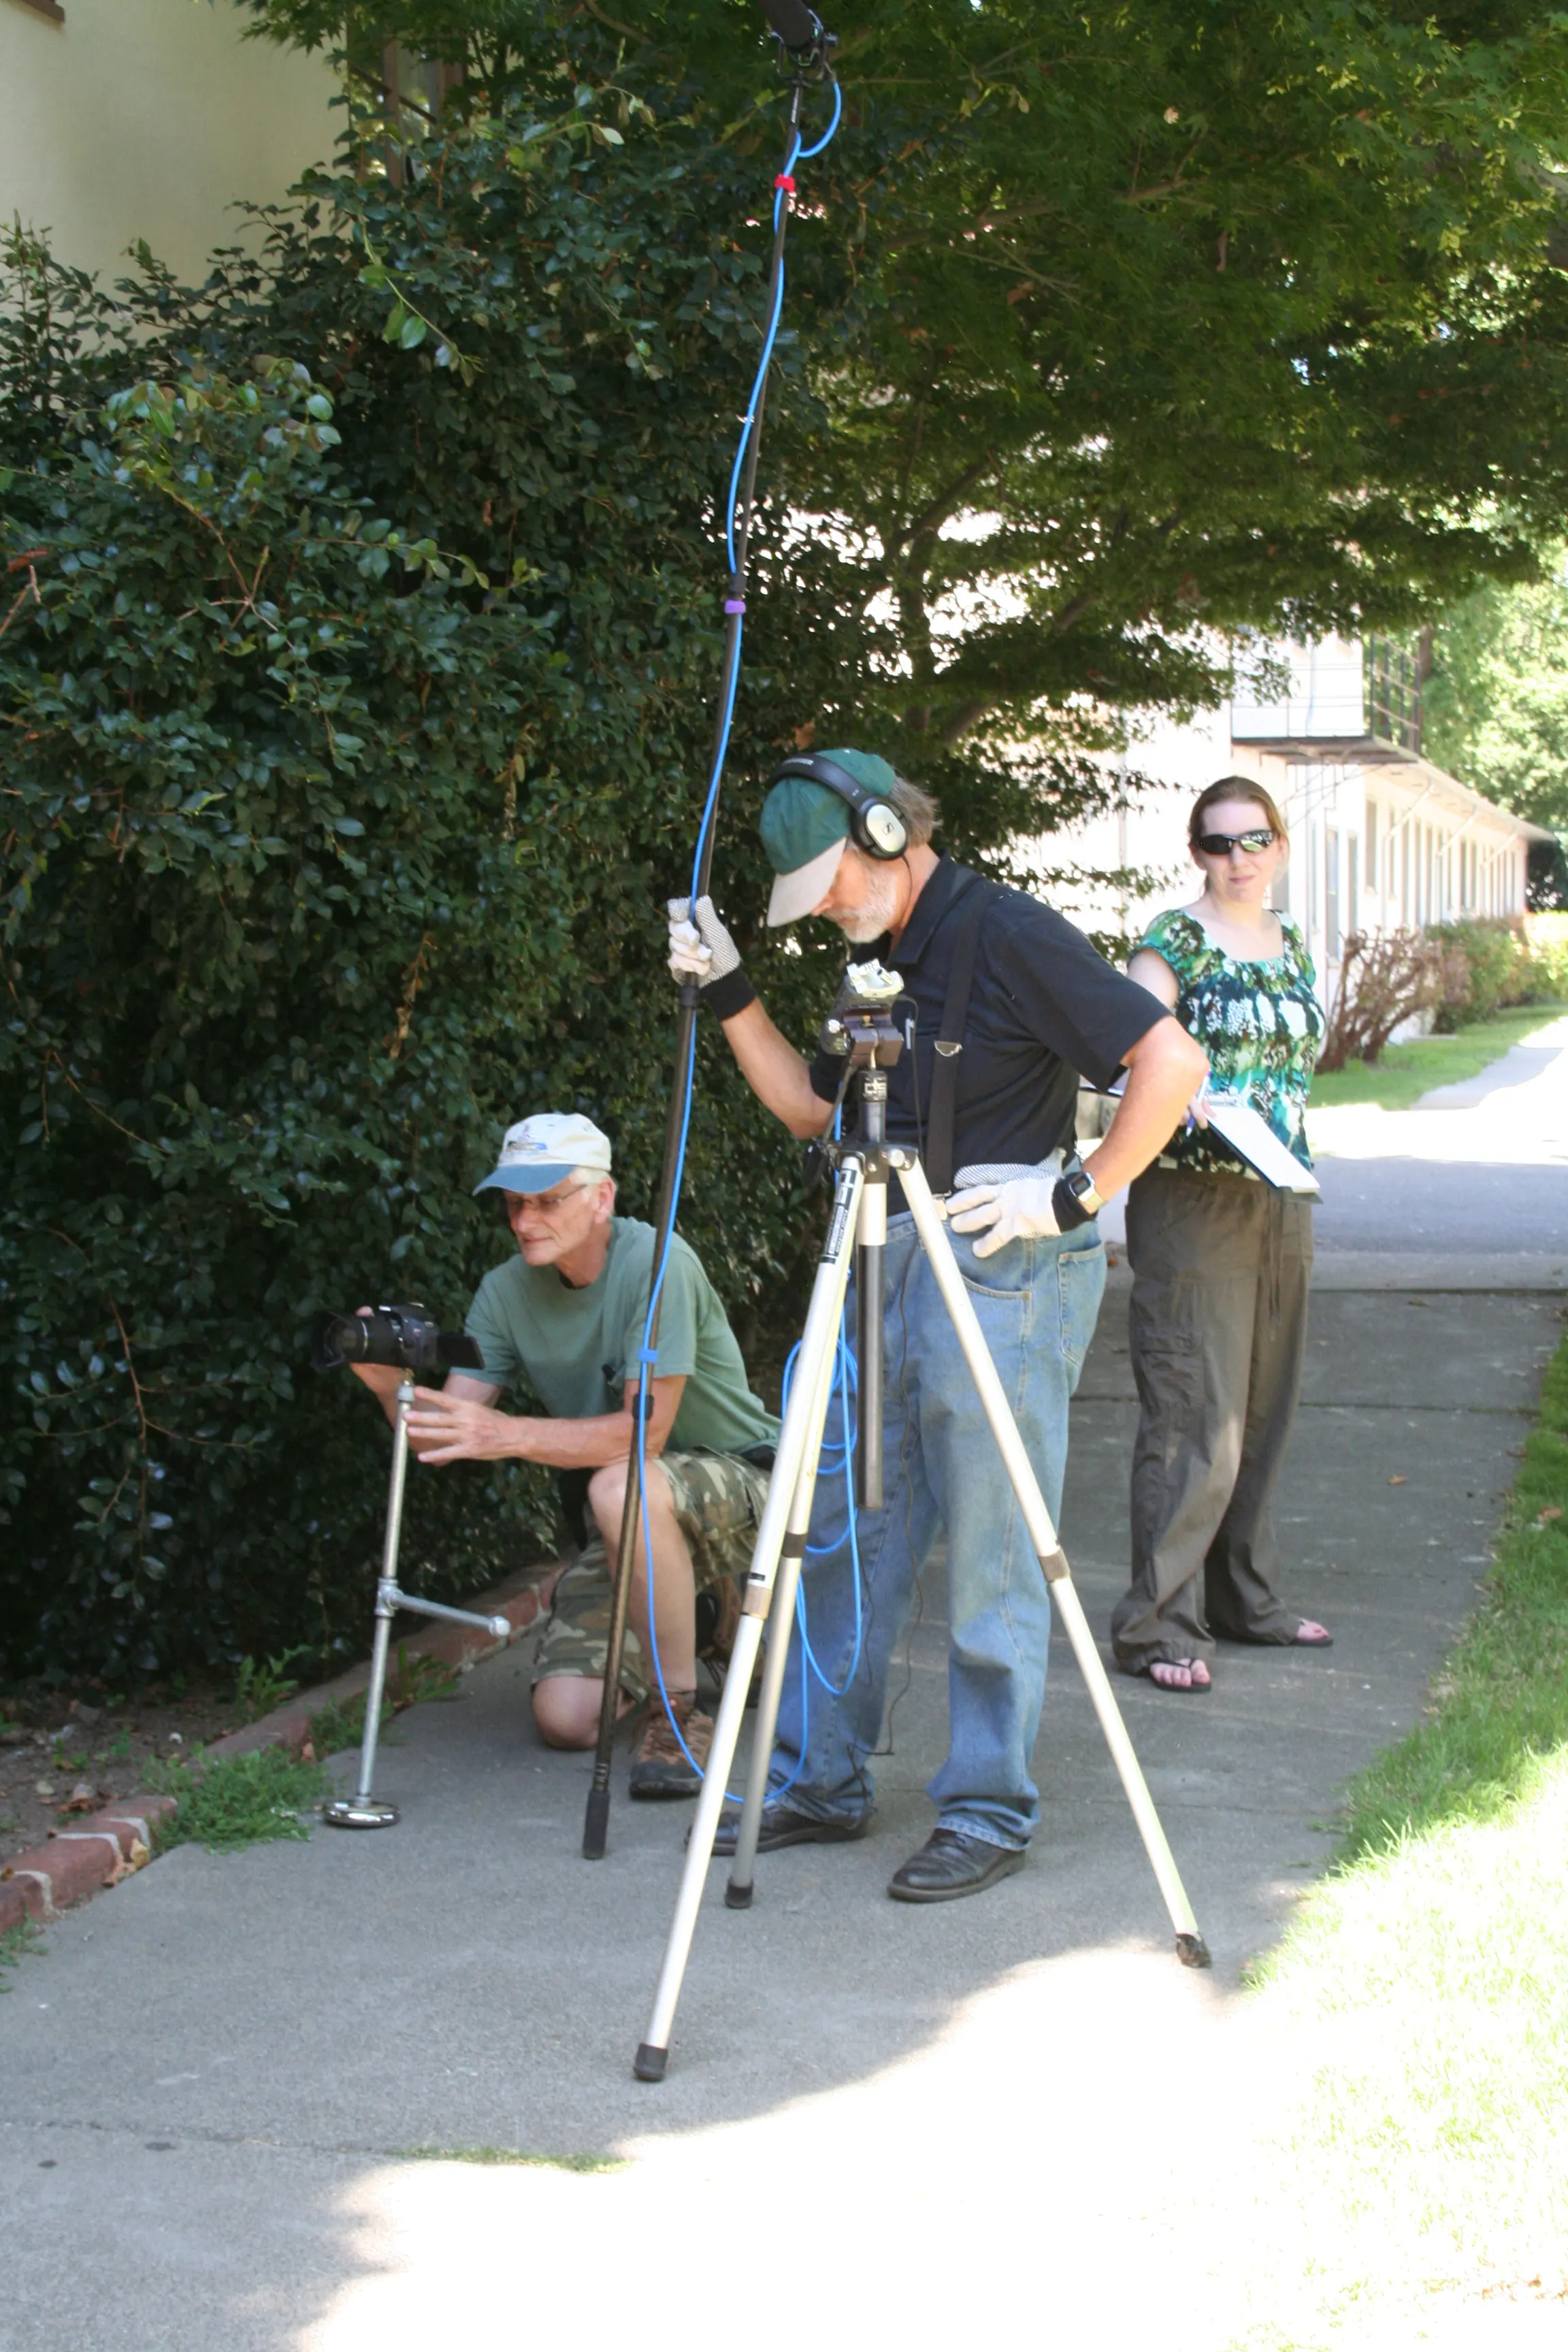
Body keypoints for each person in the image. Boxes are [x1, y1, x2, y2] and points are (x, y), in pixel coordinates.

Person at [666, 748, 1207, 1901]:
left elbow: (1167, 1057)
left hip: (1002, 1261)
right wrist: (726, 992)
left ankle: (985, 1806)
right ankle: (820, 1778)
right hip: (876, 1249)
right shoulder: (871, 959)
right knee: (846, 1529)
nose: (824, 917)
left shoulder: (1005, 934)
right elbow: (815, 1110)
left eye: (831, 888)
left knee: (994, 1546)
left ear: (884, 832)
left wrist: (1074, 1190)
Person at [349, 1112, 780, 1797]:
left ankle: (679, 1711)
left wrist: (509, 1435)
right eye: (516, 1203)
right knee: (566, 1719)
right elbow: (449, 1431)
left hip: (749, 1486)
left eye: (547, 1200)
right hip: (634, 1519)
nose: (525, 1221)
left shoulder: (658, 1264)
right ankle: (709, 1624)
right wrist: (391, 1388)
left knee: (618, 1486)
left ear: (601, 1198)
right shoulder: (505, 1291)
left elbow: (644, 1439)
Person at [1109, 777, 1330, 1693]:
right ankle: (1158, 1624)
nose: (1238, 858)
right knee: (1196, 1411)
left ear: (1279, 846)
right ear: (1196, 852)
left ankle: (1247, 1600)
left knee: (1261, 1408)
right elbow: (1124, 1042)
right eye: (1218, 842)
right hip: (1192, 1196)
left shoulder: (1295, 942)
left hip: (1282, 1194)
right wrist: (1168, 1083)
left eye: (1254, 840)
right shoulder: (1174, 941)